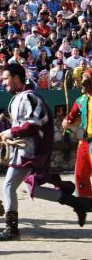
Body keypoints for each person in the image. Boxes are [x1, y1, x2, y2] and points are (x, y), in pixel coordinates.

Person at [0, 63, 92, 242]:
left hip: (31, 152)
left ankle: (11, 229)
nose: (3, 82)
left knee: (8, 185)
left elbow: (34, 124)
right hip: (25, 150)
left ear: (16, 78)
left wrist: (8, 133)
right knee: (34, 189)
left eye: (6, 78)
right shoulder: (21, 97)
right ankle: (78, 203)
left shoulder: (29, 97)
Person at [62, 69, 92, 198]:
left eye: (86, 82)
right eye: (82, 82)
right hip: (86, 141)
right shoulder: (80, 101)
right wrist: (66, 124)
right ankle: (87, 201)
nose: (82, 85)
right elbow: (71, 119)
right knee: (80, 174)